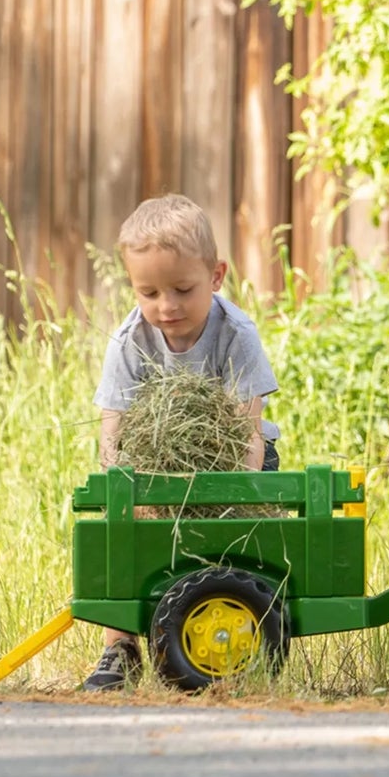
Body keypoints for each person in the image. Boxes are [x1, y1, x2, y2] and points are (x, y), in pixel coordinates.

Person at [83, 193, 281, 691]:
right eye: (148, 292)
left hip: (238, 462)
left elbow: (246, 430)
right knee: (123, 539)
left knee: (235, 546)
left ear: (216, 276)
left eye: (182, 289)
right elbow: (114, 429)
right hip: (155, 468)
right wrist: (124, 489)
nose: (166, 306)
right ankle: (119, 647)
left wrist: (234, 495)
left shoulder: (235, 334)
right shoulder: (130, 341)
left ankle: (236, 628)